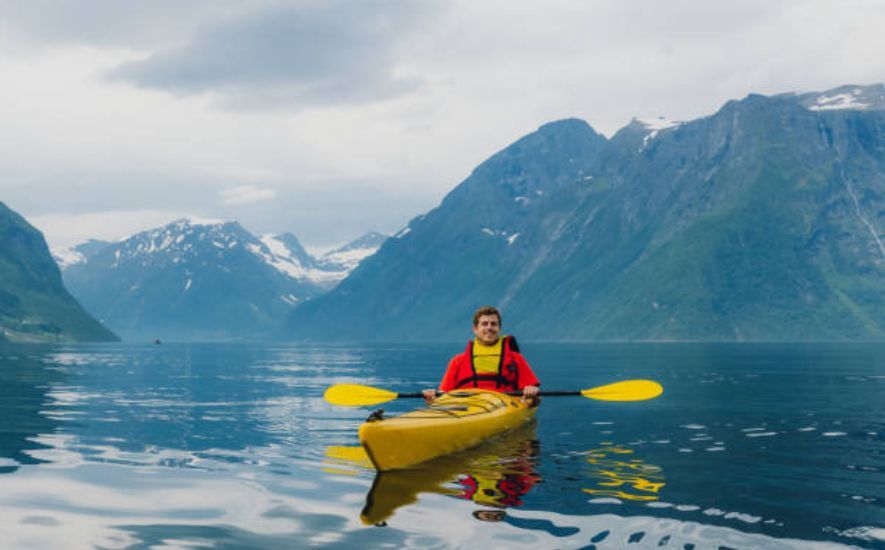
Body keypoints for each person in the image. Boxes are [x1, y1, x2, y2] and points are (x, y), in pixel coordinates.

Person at [423, 306, 540, 403]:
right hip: (464, 406)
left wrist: (531, 392)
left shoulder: (515, 358)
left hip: (502, 405)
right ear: (475, 329)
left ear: (499, 328)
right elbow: (442, 396)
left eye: (493, 324)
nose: (489, 327)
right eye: (484, 324)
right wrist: (431, 398)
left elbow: (535, 400)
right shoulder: (457, 361)